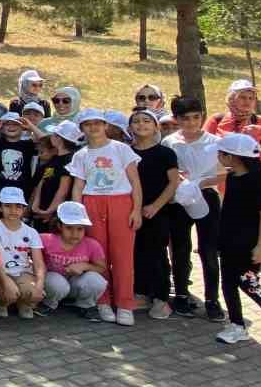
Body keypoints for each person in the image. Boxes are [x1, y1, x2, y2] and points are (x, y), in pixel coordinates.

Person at [209, 134, 261, 347]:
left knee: (249, 283)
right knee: (227, 283)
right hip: (228, 239)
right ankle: (237, 325)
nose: (219, 156)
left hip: (246, 243)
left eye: (221, 154)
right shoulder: (233, 175)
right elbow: (217, 179)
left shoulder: (255, 182)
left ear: (233, 157)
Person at [66, 108, 142, 326]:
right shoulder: (81, 155)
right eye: (88, 124)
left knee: (122, 256)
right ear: (82, 129)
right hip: (92, 203)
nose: (93, 128)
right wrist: (78, 214)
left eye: (97, 123)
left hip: (120, 201)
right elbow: (78, 187)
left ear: (106, 125)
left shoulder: (121, 149)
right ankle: (103, 300)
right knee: (99, 255)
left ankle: (125, 303)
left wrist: (136, 209)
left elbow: (135, 182)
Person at [163, 95, 224, 320]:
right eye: (185, 118)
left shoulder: (215, 142)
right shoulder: (169, 142)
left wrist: (199, 183)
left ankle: (212, 299)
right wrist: (180, 182)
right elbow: (167, 171)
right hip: (179, 199)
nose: (191, 123)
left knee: (209, 249)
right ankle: (180, 294)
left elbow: (223, 172)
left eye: (196, 117)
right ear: (177, 119)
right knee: (180, 247)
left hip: (206, 197)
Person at [129, 108, 180, 320]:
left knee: (157, 253)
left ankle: (161, 297)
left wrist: (155, 206)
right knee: (136, 252)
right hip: (132, 210)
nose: (141, 125)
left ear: (156, 126)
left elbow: (173, 182)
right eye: (136, 121)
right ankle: (141, 292)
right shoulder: (126, 152)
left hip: (157, 211)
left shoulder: (165, 153)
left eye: (146, 121)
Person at [0, 187, 46, 320]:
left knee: (30, 291)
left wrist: (40, 284)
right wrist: (6, 281)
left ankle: (24, 303)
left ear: (24, 209)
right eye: (8, 206)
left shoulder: (31, 232)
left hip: (23, 272)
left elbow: (38, 262)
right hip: (1, 272)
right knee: (10, 293)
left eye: (18, 207)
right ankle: (1, 302)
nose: (13, 211)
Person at [39, 201, 111, 315]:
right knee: (56, 283)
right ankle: (49, 303)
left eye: (80, 229)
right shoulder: (46, 240)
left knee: (97, 281)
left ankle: (84, 305)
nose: (75, 234)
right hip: (53, 284)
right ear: (59, 226)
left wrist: (85, 266)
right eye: (69, 228)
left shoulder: (92, 244)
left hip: (76, 284)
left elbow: (102, 268)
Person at [204, 78, 261, 143]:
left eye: (251, 98)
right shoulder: (217, 119)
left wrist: (260, 131)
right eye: (242, 97)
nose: (247, 101)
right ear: (231, 99)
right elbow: (203, 144)